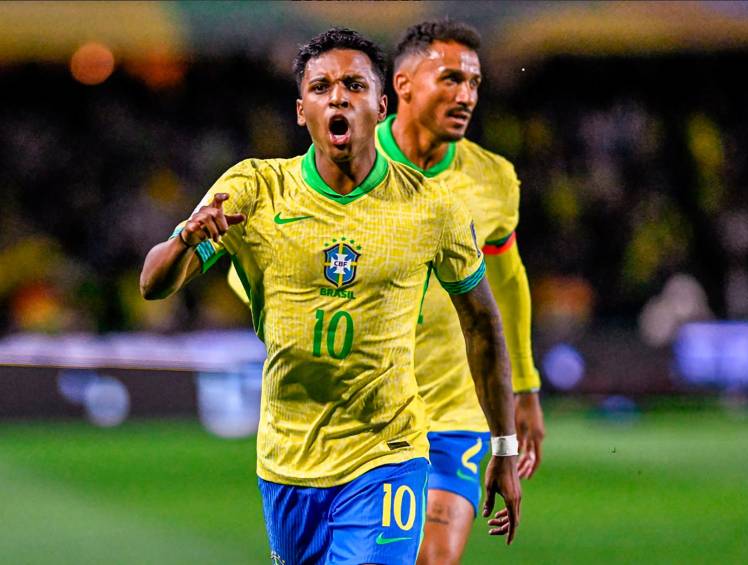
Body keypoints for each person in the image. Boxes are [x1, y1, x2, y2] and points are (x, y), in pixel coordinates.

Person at [140, 28, 520, 565]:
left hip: (387, 454)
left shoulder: (431, 208)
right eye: (320, 87)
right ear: (301, 110)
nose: (337, 97)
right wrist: (186, 239)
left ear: (381, 104)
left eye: (353, 85)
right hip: (287, 459)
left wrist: (503, 448)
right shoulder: (255, 190)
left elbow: (483, 324)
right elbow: (152, 284)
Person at [376, 20, 546, 564]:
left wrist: (524, 386)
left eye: (474, 83)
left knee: (435, 558)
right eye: (450, 79)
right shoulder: (350, 164)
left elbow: (510, 282)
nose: (466, 95)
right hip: (368, 408)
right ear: (402, 84)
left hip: (456, 406)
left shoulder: (492, 178)